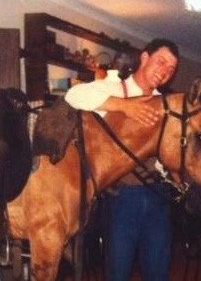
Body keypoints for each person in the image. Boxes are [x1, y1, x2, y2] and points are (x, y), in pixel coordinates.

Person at [65, 38, 179, 281]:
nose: (165, 72)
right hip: (122, 199)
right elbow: (73, 95)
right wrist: (123, 106)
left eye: (171, 69)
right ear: (145, 58)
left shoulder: (167, 106)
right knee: (117, 274)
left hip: (159, 195)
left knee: (159, 274)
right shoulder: (114, 87)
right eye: (161, 62)